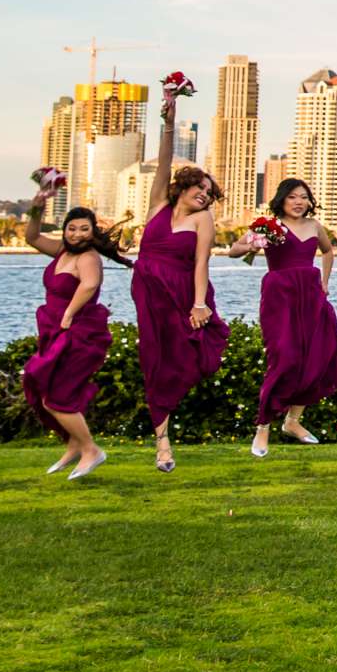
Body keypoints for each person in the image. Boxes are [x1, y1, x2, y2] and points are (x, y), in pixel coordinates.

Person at [133, 83, 227, 472]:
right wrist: (168, 121)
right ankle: (162, 443)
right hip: (148, 289)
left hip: (183, 292)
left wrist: (199, 303)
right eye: (200, 188)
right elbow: (163, 159)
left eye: (209, 192)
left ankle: (166, 439)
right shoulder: (158, 203)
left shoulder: (203, 218)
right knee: (153, 361)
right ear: (183, 186)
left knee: (180, 362)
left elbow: (202, 262)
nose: (205, 195)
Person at [21, 179, 128, 479]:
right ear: (65, 229)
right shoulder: (60, 252)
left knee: (58, 396)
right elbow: (31, 236)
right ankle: (74, 445)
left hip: (77, 332)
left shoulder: (89, 257)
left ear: (92, 232)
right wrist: (37, 207)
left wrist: (69, 313)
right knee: (42, 389)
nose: (78, 234)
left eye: (84, 229)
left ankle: (91, 450)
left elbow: (90, 284)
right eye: (72, 228)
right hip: (54, 330)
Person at [249, 177, 337, 458]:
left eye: (304, 197)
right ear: (282, 199)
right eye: (293, 196)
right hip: (280, 296)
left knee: (316, 357)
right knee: (283, 358)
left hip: (311, 295)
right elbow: (236, 250)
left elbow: (328, 251)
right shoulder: (269, 226)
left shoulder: (315, 226)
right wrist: (252, 244)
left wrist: (325, 282)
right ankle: (263, 426)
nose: (299, 202)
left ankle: (292, 421)